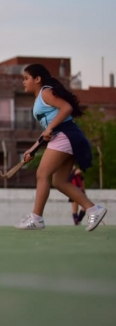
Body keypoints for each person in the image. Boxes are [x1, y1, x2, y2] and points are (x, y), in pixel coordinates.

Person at [14, 64, 106, 231]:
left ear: (37, 79)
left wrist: (49, 129)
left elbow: (66, 108)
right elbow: (49, 128)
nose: (24, 82)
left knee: (42, 174)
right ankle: (94, 209)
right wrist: (32, 149)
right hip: (65, 136)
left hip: (66, 135)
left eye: (26, 78)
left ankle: (36, 218)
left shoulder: (46, 92)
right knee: (59, 181)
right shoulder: (40, 98)